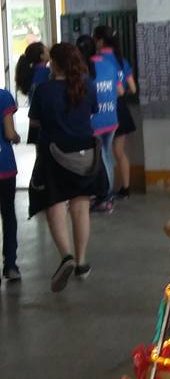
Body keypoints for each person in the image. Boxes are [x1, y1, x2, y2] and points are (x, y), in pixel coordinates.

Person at [28, 43, 108, 291]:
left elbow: (35, 121)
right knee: (80, 207)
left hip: (53, 154)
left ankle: (66, 256)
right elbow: (92, 112)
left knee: (55, 205)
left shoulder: (44, 90)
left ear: (57, 64)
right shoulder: (87, 85)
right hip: (85, 153)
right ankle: (82, 262)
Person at [77, 35, 123, 212]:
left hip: (94, 121)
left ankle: (105, 197)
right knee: (106, 156)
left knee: (101, 159)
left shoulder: (82, 70)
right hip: (111, 118)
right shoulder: (109, 65)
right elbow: (119, 91)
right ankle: (108, 194)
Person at [92, 25, 136, 198]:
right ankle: (125, 188)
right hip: (120, 109)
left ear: (100, 41)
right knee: (119, 152)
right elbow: (131, 88)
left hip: (102, 110)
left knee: (102, 153)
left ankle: (104, 191)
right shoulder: (121, 60)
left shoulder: (96, 61)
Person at [0, 87, 22, 284]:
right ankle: (11, 265)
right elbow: (9, 133)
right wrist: (17, 138)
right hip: (3, 166)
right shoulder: (3, 97)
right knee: (8, 215)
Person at [15, 41, 51, 144]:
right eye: (46, 50)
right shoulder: (48, 73)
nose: (49, 51)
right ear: (41, 56)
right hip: (47, 123)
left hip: (34, 121)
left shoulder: (30, 74)